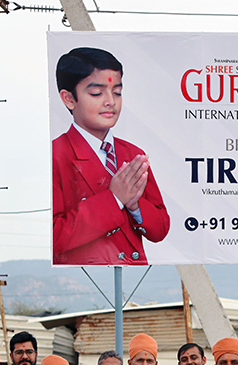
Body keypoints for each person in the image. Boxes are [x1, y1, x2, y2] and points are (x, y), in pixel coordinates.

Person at [52, 46, 170, 266]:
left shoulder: (133, 154)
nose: (110, 102)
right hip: (87, 276)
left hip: (133, 275)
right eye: (97, 93)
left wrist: (135, 205)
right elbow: (54, 236)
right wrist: (114, 198)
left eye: (117, 92)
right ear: (68, 99)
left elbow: (160, 228)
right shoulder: (56, 155)